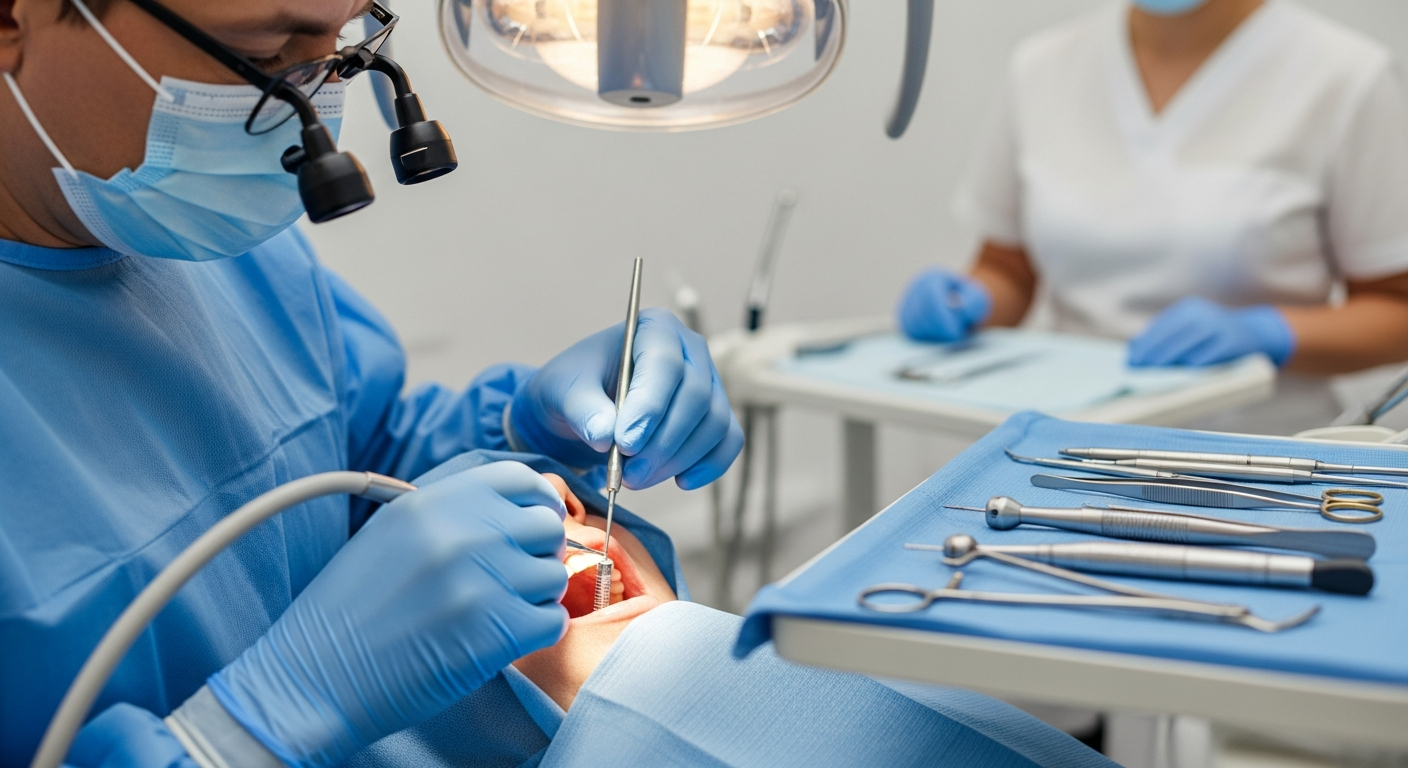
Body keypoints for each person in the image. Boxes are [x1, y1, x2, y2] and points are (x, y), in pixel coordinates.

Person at [0, 0, 745, 765]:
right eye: (265, 51)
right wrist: (253, 726)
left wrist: (519, 432)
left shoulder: (216, 249)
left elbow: (341, 467)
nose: (318, 102)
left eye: (346, 39)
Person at [897, 0, 1408, 375]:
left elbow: (1397, 311)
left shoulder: (1346, 77)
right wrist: (969, 302)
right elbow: (1008, 268)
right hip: (1064, 450)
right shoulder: (1041, 66)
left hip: (1259, 458)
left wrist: (1269, 334)